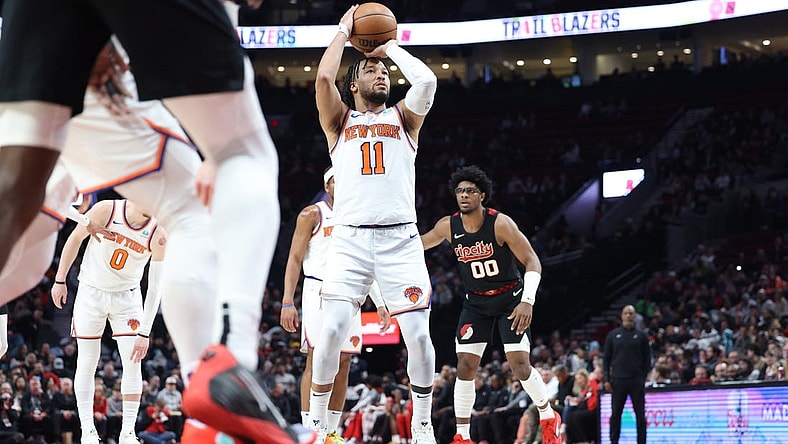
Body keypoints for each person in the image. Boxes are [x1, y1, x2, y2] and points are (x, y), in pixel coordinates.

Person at [0, 0, 294, 439]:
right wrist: (217, 141)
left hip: (37, 21)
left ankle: (206, 411)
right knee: (224, 172)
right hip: (105, 49)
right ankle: (222, 376)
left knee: (23, 224)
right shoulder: (106, 212)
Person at [308, 5, 438, 443]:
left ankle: (422, 425)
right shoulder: (339, 121)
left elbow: (427, 81)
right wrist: (345, 33)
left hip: (401, 240)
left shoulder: (406, 119)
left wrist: (390, 48)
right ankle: (322, 426)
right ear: (354, 83)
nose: (380, 74)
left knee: (419, 337)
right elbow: (323, 80)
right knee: (328, 334)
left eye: (383, 71)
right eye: (370, 70)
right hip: (348, 241)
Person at [420, 165, 561, 444]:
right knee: (464, 366)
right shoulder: (448, 225)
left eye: (470, 190)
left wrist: (527, 301)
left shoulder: (500, 224)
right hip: (476, 304)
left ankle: (548, 415)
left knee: (520, 366)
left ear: (482, 195)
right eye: (460, 190)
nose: (464, 195)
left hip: (510, 299)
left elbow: (532, 261)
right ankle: (462, 436)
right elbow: (418, 246)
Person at [280, 166, 390, 439]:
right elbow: (294, 258)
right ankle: (310, 431)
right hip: (319, 289)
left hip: (351, 292)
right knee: (316, 360)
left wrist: (379, 303)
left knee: (344, 364)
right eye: (338, 182)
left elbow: (367, 264)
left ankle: (331, 432)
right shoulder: (312, 214)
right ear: (327, 185)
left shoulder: (359, 217)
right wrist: (287, 301)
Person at [51, 199, 167, 444]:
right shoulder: (107, 209)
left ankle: (128, 433)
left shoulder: (158, 233)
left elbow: (155, 287)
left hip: (127, 297)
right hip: (91, 292)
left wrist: (145, 332)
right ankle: (88, 431)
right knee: (87, 360)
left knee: (133, 362)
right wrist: (60, 280)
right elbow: (75, 238)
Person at [603, 305, 650, 444]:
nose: (628, 316)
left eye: (631, 313)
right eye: (626, 313)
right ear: (622, 316)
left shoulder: (642, 336)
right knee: (616, 415)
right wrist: (606, 379)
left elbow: (647, 359)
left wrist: (643, 377)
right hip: (618, 381)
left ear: (635, 316)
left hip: (636, 381)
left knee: (640, 416)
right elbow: (606, 358)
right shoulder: (612, 335)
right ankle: (613, 442)